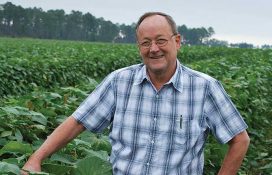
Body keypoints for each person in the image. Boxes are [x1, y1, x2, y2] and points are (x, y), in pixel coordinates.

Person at [22, 12, 250, 175]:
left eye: (161, 40)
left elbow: (240, 139)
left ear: (177, 41)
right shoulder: (119, 82)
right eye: (146, 42)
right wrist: (36, 158)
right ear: (138, 46)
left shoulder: (204, 88)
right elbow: (77, 122)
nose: (154, 49)